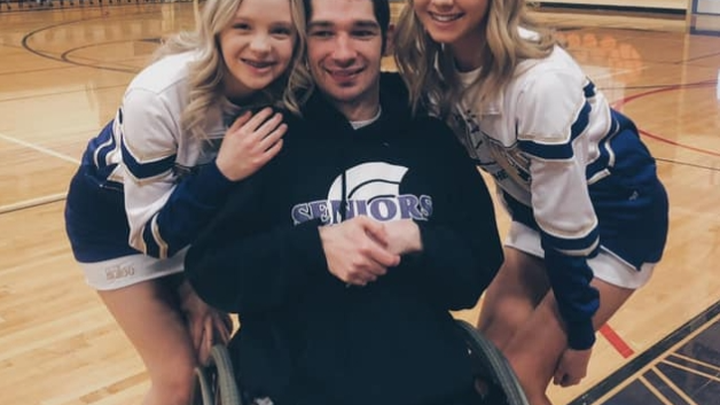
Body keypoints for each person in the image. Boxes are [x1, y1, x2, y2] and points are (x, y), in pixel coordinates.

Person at [184, 0, 504, 404]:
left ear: (387, 39)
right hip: (296, 389)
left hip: (428, 387)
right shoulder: (267, 137)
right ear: (303, 42)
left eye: (361, 32)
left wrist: (419, 240)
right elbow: (214, 272)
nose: (343, 53)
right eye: (323, 33)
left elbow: (476, 268)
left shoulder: (430, 137)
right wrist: (315, 247)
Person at [393, 1, 670, 404]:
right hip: (540, 215)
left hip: (617, 221)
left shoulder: (540, 83)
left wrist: (579, 336)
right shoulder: (436, 62)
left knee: (520, 380)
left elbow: (568, 230)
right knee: (481, 371)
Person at [63, 1, 308, 404]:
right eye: (242, 26)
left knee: (210, 352)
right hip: (119, 227)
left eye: (280, 31)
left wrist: (202, 285)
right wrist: (222, 172)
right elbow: (151, 238)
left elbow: (249, 205)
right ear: (215, 28)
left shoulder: (291, 91)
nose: (262, 45)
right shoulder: (157, 95)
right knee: (178, 377)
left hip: (194, 225)